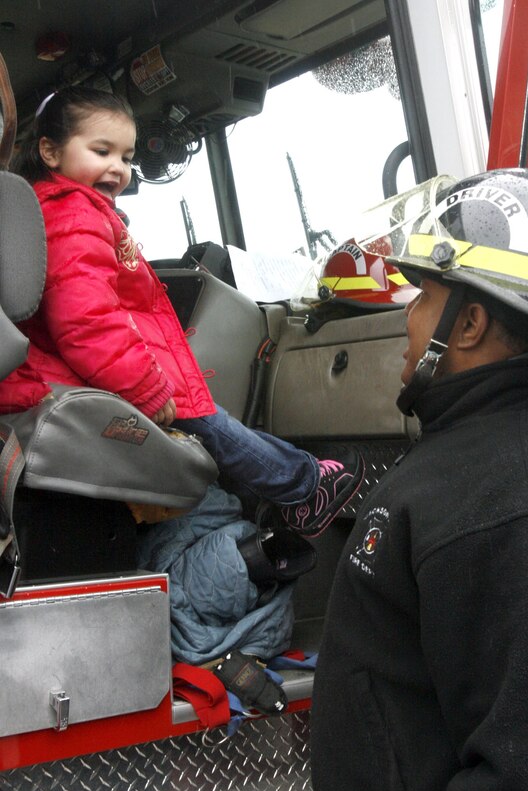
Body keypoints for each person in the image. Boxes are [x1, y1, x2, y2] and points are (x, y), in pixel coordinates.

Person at [2, 86, 364, 536]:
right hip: (108, 378)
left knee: (213, 426)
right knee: (213, 425)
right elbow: (88, 322)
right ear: (50, 152)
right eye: (102, 151)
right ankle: (304, 487)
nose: (118, 168)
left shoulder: (69, 212)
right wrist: (146, 386)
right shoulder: (73, 216)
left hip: (90, 375)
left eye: (127, 157)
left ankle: (292, 483)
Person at [310, 169, 528, 791]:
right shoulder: (471, 464)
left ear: (467, 323)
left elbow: (523, 781)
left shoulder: (508, 503)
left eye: (422, 299)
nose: (406, 318)